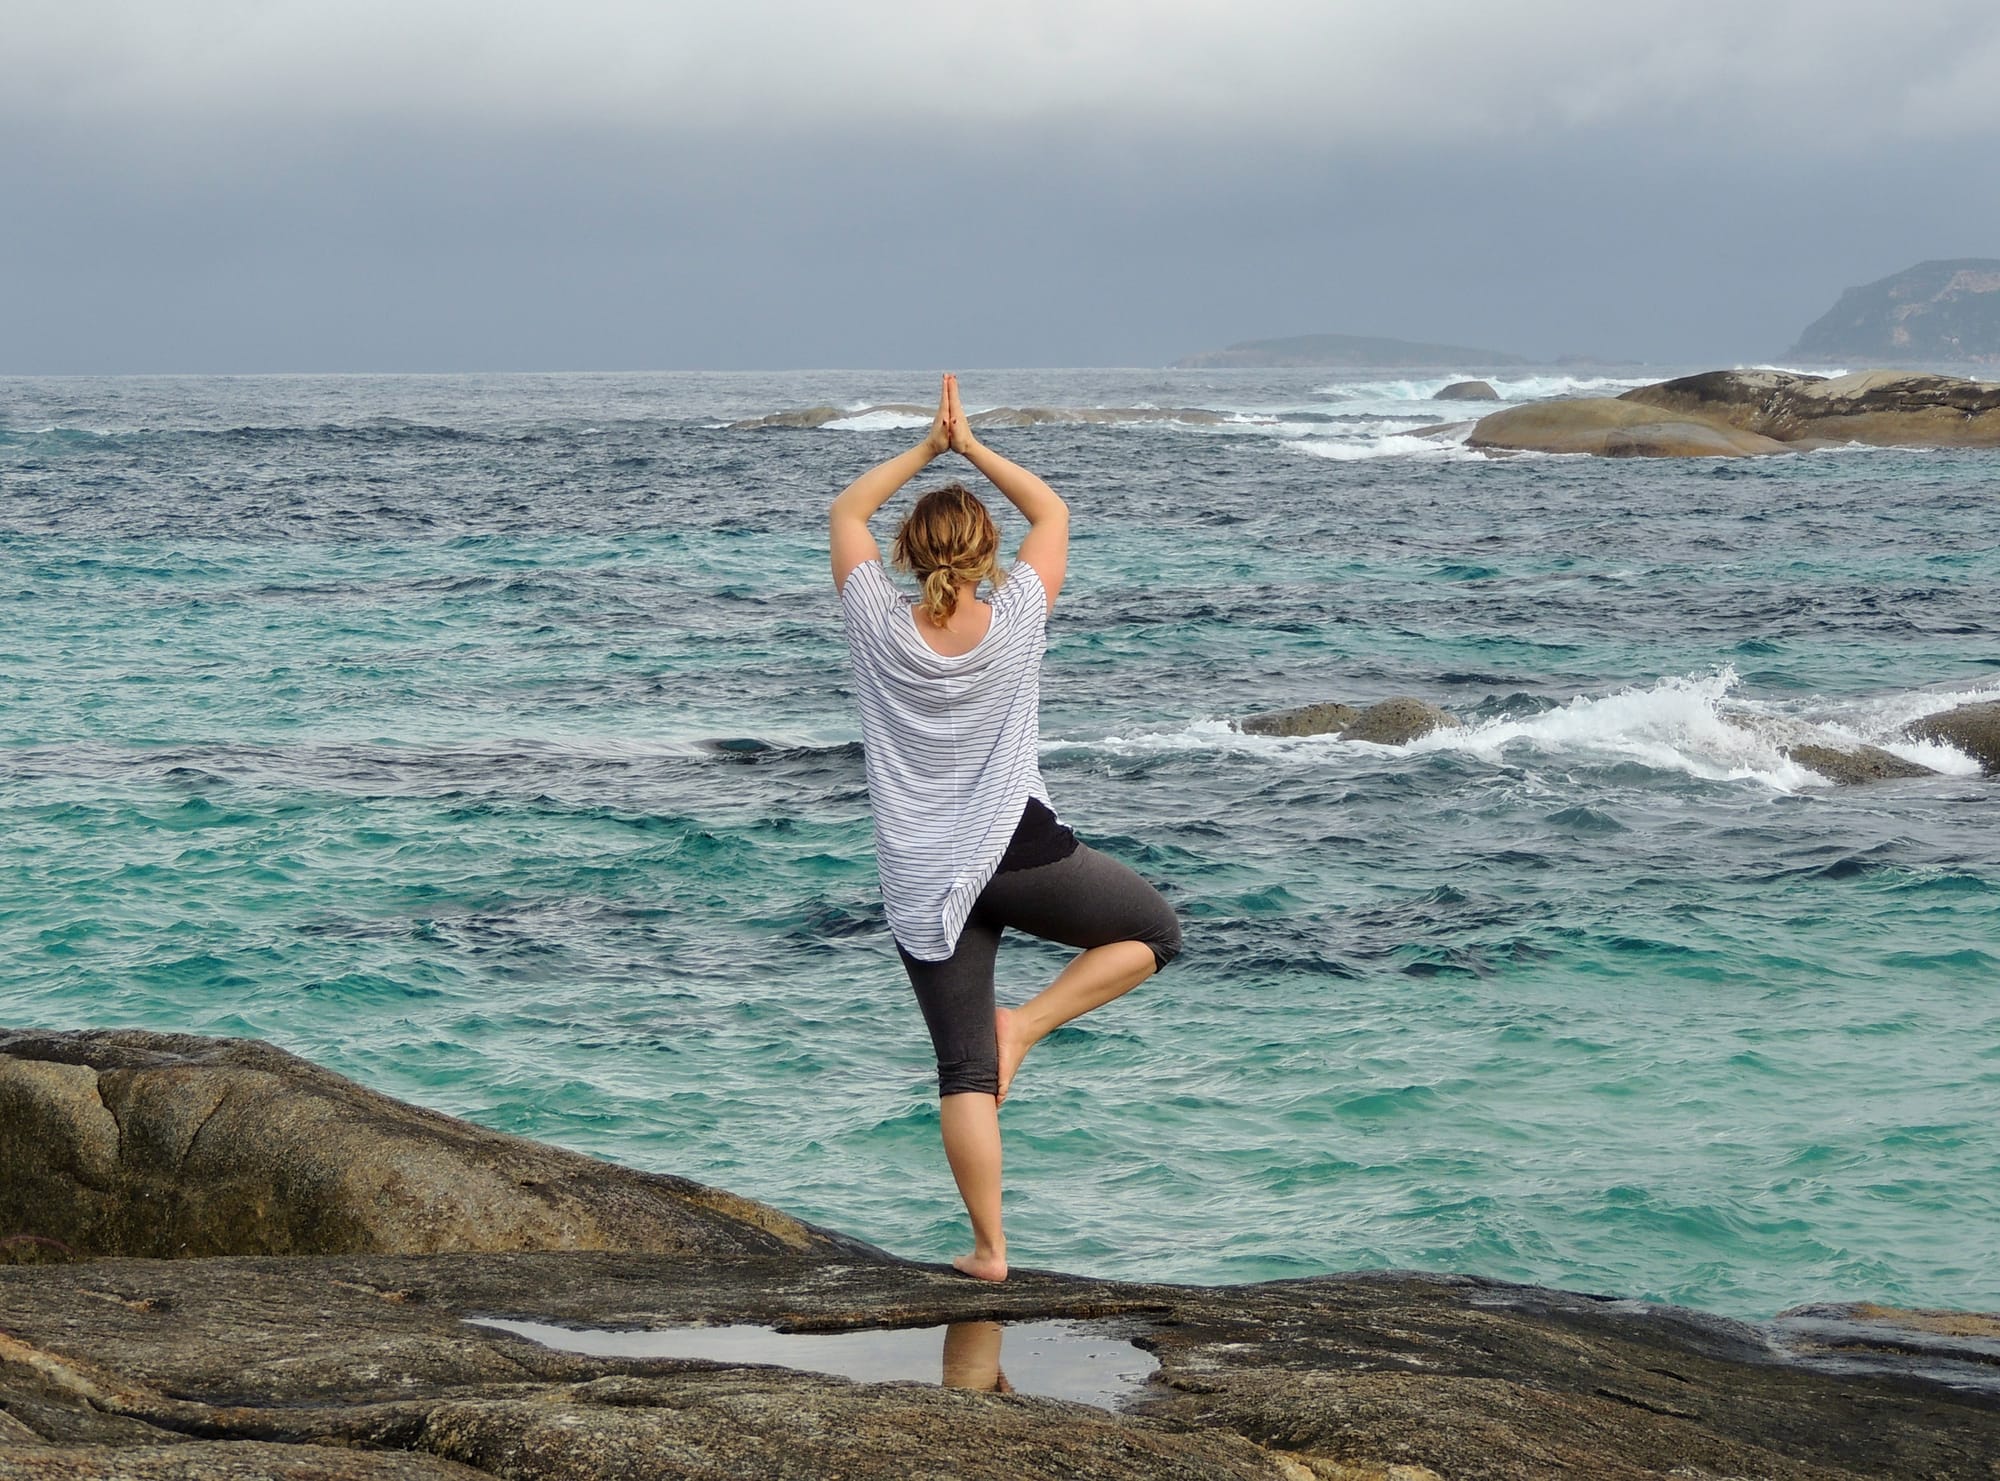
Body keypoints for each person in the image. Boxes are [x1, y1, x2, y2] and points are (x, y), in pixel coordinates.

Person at [829, 373, 1182, 1282]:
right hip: (1018, 850)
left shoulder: (874, 620)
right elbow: (1053, 513)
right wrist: (972, 445)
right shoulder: (1019, 615)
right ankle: (1024, 1026)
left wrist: (922, 448)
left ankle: (991, 1251)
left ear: (906, 553)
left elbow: (846, 511)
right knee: (1153, 933)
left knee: (962, 1073)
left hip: (920, 875)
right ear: (989, 555)